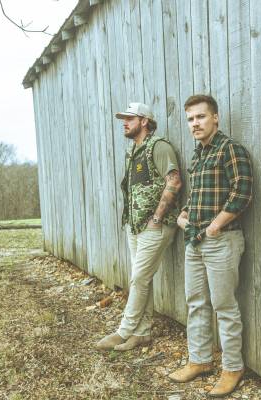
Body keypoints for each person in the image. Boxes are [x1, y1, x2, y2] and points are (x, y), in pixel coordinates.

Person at [168, 94, 253, 397]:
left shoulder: (230, 150)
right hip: (195, 241)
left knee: (224, 306)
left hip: (222, 240)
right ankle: (200, 361)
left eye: (201, 117)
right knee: (196, 303)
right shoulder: (199, 154)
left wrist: (216, 225)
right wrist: (183, 215)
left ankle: (232, 368)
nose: (195, 123)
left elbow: (241, 193)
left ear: (215, 117)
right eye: (191, 119)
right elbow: (198, 195)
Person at [95, 102, 182, 351]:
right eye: (124, 118)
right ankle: (142, 333)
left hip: (156, 225)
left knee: (139, 278)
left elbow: (174, 182)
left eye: (129, 118)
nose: (124, 122)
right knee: (142, 281)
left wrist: (157, 218)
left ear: (144, 121)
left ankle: (123, 331)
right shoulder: (133, 151)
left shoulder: (160, 147)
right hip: (135, 225)